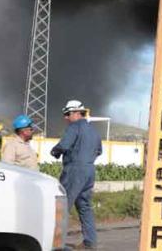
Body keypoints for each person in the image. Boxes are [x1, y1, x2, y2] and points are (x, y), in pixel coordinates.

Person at [50, 100, 103, 250]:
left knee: (62, 205)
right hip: (89, 170)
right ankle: (89, 243)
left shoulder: (74, 127)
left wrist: (55, 151)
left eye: (67, 114)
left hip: (75, 170)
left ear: (75, 113)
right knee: (84, 206)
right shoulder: (93, 130)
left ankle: (56, 244)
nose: (65, 117)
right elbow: (99, 151)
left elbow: (64, 145)